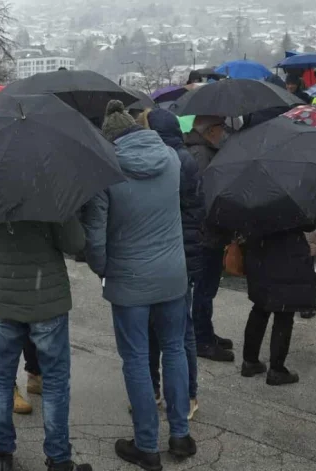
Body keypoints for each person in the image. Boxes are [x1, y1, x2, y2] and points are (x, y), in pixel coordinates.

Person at [83, 102, 195, 468]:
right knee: (175, 349)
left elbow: (96, 239)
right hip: (173, 275)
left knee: (136, 359)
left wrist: (103, 270)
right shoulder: (172, 160)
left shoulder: (105, 172)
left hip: (129, 279)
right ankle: (180, 435)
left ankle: (146, 445)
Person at [0, 211, 91, 471]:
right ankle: (58, 458)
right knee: (55, 382)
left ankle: (1, 455)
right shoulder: (48, 186)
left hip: (3, 299)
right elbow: (75, 243)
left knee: (1, 379)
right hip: (46, 299)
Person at [146, 108, 204, 421]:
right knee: (181, 331)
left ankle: (162, 391)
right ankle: (186, 395)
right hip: (185, 256)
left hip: (168, 255)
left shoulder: (166, 161)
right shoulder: (187, 158)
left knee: (166, 332)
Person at [240, 220, 316, 386]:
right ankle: (277, 370)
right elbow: (309, 223)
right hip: (287, 255)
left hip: (259, 252)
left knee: (260, 308)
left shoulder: (252, 197)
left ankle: (250, 361)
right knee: (284, 313)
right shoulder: (292, 198)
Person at [183, 115, 235, 362]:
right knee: (204, 289)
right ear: (210, 130)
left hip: (208, 231)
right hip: (205, 232)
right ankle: (202, 339)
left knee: (207, 288)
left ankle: (206, 332)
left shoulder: (203, 150)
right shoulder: (201, 154)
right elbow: (205, 195)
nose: (223, 132)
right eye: (220, 127)